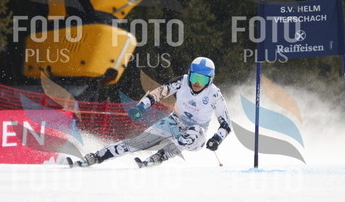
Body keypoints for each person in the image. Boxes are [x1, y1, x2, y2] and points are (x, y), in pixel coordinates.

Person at [69, 57, 232, 168]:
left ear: (210, 80)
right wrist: (141, 107)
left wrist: (216, 139)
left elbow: (226, 125)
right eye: (194, 77)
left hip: (197, 134)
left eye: (202, 80)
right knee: (137, 142)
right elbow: (158, 93)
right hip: (175, 122)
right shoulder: (181, 82)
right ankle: (97, 157)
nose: (196, 83)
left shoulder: (214, 95)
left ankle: (160, 156)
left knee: (191, 133)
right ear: (189, 74)